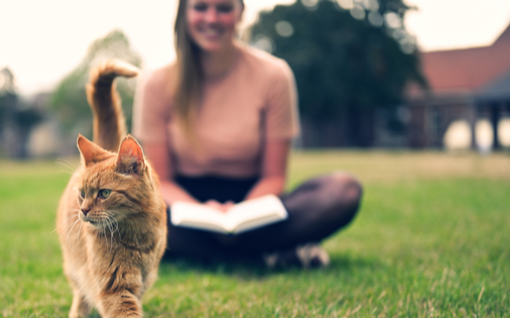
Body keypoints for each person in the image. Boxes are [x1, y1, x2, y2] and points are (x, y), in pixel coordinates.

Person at [132, 0, 362, 267]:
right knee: (124, 215)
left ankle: (212, 253)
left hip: (256, 205)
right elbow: (162, 181)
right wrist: (202, 213)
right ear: (184, 13)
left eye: (224, 8)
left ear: (241, 13)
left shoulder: (274, 76)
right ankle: (268, 254)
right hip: (181, 208)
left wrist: (239, 216)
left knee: (343, 190)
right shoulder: (155, 84)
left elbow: (274, 176)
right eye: (200, 7)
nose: (212, 18)